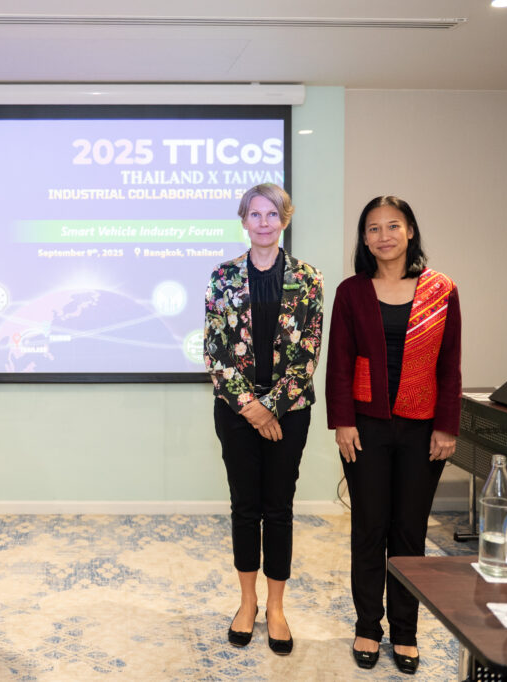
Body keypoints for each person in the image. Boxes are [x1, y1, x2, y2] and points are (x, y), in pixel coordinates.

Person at [326, 196, 461, 675]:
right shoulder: (351, 292)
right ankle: (368, 625)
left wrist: (447, 425)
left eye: (393, 226)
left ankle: (406, 631)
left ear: (410, 231)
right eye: (373, 228)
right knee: (369, 528)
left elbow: (450, 363)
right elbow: (339, 362)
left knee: (409, 531)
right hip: (365, 426)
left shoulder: (441, 289)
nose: (383, 236)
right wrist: (343, 422)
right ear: (364, 239)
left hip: (423, 428)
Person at [204, 184, 323, 657]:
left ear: (285, 220)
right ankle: (247, 602)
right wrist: (250, 408)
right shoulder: (222, 277)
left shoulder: (309, 279)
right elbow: (214, 351)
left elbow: (308, 352)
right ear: (244, 221)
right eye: (255, 214)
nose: (264, 223)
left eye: (272, 214)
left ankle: (275, 607)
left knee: (278, 508)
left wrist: (270, 406)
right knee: (244, 507)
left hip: (289, 413)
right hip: (236, 412)